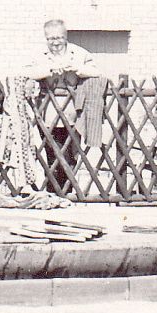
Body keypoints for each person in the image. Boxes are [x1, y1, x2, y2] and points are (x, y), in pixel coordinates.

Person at [24, 19, 101, 193]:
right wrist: (49, 70)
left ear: (65, 37)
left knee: (71, 154)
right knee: (52, 153)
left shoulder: (79, 53)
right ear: (46, 38)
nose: (55, 42)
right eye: (51, 38)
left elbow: (96, 72)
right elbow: (27, 71)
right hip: (48, 113)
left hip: (74, 113)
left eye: (59, 37)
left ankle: (68, 192)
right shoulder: (39, 55)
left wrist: (76, 68)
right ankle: (53, 192)